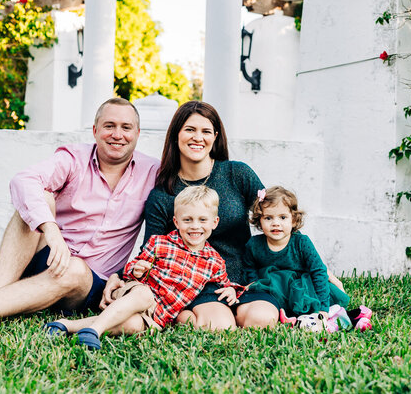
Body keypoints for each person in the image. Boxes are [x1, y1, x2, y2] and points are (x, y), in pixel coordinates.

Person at [0, 97, 159, 336]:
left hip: (89, 283)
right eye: (109, 126)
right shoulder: (74, 158)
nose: (117, 134)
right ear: (94, 130)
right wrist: (51, 230)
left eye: (126, 127)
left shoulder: (153, 172)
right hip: (50, 256)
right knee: (38, 199)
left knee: (74, 269)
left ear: (137, 134)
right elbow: (24, 180)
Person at [101, 100, 344, 331]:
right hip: (196, 283)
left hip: (245, 279)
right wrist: (121, 277)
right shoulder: (162, 195)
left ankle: (231, 311)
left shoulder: (237, 174)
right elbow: (149, 252)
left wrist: (321, 268)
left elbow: (276, 216)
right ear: (176, 135)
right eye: (190, 130)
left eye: (206, 131)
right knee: (219, 327)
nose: (198, 137)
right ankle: (185, 315)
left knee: (262, 320)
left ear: (215, 137)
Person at [44, 185, 244, 350]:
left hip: (158, 315)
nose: (195, 226)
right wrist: (137, 269)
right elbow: (133, 266)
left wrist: (230, 289)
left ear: (215, 222)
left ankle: (65, 326)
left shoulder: (214, 261)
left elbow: (223, 282)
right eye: (187, 220)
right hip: (136, 293)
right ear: (176, 221)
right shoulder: (160, 243)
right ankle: (94, 331)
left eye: (202, 220)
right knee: (144, 295)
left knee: (132, 325)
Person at [243, 186, 349, 318]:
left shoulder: (301, 243)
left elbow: (318, 271)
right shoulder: (254, 245)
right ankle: (284, 316)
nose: (275, 223)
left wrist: (323, 308)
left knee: (325, 298)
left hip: (302, 288)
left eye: (282, 217)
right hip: (273, 288)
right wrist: (254, 284)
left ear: (293, 220)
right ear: (259, 220)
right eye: (268, 218)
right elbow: (249, 268)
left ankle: (330, 313)